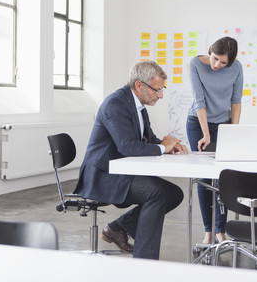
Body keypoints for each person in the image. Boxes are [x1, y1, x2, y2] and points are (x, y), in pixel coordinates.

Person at [74, 60, 188, 260]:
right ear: (139, 85)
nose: (160, 95)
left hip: (122, 171)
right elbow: (126, 146)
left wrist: (167, 145)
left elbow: (147, 139)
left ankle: (119, 227)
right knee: (159, 192)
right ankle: (145, 260)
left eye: (162, 90)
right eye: (157, 90)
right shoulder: (115, 104)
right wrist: (162, 147)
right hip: (103, 175)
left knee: (174, 193)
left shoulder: (138, 105)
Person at [186, 36, 243, 244]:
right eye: (216, 59)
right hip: (197, 123)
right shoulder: (195, 64)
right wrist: (206, 134)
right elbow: (199, 100)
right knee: (204, 178)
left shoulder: (237, 68)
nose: (217, 65)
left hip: (223, 124)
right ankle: (208, 231)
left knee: (222, 177)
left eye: (223, 63)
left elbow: (236, 102)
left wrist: (233, 132)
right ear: (210, 49)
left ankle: (221, 230)